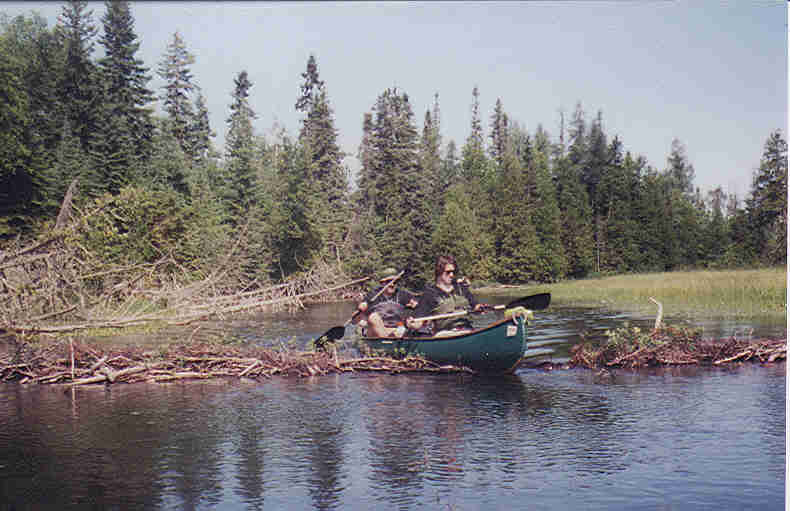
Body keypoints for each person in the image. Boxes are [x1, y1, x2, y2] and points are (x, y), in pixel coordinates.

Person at [406, 255, 487, 337]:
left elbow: (475, 305)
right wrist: (411, 324)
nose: (452, 275)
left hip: (467, 330)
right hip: (445, 333)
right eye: (448, 272)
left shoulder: (462, 288)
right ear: (439, 272)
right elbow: (419, 322)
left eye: (454, 272)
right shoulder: (430, 294)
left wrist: (480, 308)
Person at [356, 267, 418, 338]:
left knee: (411, 320)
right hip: (376, 331)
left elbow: (417, 307)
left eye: (395, 282)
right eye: (388, 282)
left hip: (397, 329)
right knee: (373, 317)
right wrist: (361, 308)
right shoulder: (373, 295)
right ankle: (386, 340)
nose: (392, 285)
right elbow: (358, 316)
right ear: (382, 283)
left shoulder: (403, 295)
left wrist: (415, 308)